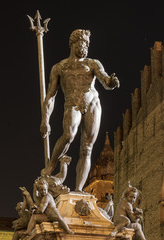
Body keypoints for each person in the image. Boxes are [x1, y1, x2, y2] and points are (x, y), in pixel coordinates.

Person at [40, 29, 120, 192]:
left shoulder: (93, 63)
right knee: (68, 135)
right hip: (72, 104)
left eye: (87, 44)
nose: (85, 47)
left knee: (87, 147)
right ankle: (51, 165)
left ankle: (79, 190)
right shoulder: (59, 68)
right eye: (82, 44)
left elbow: (105, 80)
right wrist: (45, 120)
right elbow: (50, 96)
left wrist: (111, 82)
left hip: (92, 105)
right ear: (73, 44)